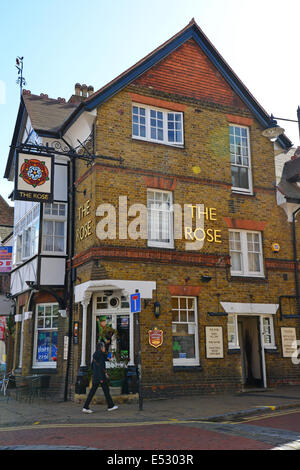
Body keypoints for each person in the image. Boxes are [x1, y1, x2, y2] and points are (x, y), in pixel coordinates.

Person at [82, 341, 118, 413]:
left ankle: (86, 407)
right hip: (100, 377)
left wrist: (109, 354)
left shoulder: (96, 355)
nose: (104, 348)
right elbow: (101, 366)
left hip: (96, 376)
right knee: (104, 391)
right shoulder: (101, 355)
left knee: (99, 391)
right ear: (101, 348)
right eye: (104, 347)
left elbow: (93, 366)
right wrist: (101, 378)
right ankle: (110, 406)